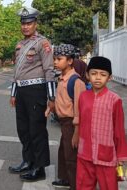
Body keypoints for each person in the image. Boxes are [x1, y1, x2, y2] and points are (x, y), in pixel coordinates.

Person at [8, 7, 56, 182]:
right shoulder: (20, 45)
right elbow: (17, 72)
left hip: (36, 91)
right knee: (23, 129)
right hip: (21, 92)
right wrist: (13, 93)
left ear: (36, 23)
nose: (26, 27)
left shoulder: (43, 43)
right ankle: (28, 160)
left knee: (37, 130)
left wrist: (51, 98)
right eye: (23, 23)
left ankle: (40, 167)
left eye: (29, 23)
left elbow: (49, 70)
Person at [76, 56, 127, 190]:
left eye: (103, 74)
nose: (98, 77)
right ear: (87, 75)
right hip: (85, 153)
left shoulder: (115, 100)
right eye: (93, 73)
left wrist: (121, 155)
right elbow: (81, 122)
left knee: (109, 186)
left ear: (109, 77)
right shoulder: (83, 97)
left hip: (106, 155)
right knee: (83, 185)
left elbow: (119, 130)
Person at [45, 44, 86, 190]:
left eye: (59, 59)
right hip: (64, 123)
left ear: (69, 61)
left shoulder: (76, 81)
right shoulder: (61, 78)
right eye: (54, 59)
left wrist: (77, 132)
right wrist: (51, 108)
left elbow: (79, 110)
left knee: (71, 157)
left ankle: (75, 184)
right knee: (63, 152)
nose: (55, 62)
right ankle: (65, 179)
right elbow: (61, 100)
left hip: (71, 124)